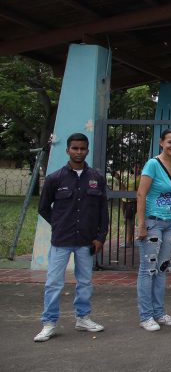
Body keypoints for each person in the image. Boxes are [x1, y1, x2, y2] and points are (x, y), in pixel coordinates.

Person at [34, 133, 108, 342]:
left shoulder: (96, 178)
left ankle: (83, 318)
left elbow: (103, 210)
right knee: (54, 283)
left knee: (85, 282)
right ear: (67, 150)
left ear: (87, 150)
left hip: (87, 241)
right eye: (75, 148)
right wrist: (58, 225)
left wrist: (100, 237)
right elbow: (43, 208)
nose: (79, 152)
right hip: (62, 240)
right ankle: (49, 323)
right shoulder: (55, 178)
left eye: (82, 148)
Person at [135, 128, 171, 331]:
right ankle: (146, 316)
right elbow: (141, 194)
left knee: (162, 268)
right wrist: (141, 225)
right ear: (161, 142)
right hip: (153, 222)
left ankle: (159, 312)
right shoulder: (153, 164)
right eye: (170, 142)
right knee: (148, 270)